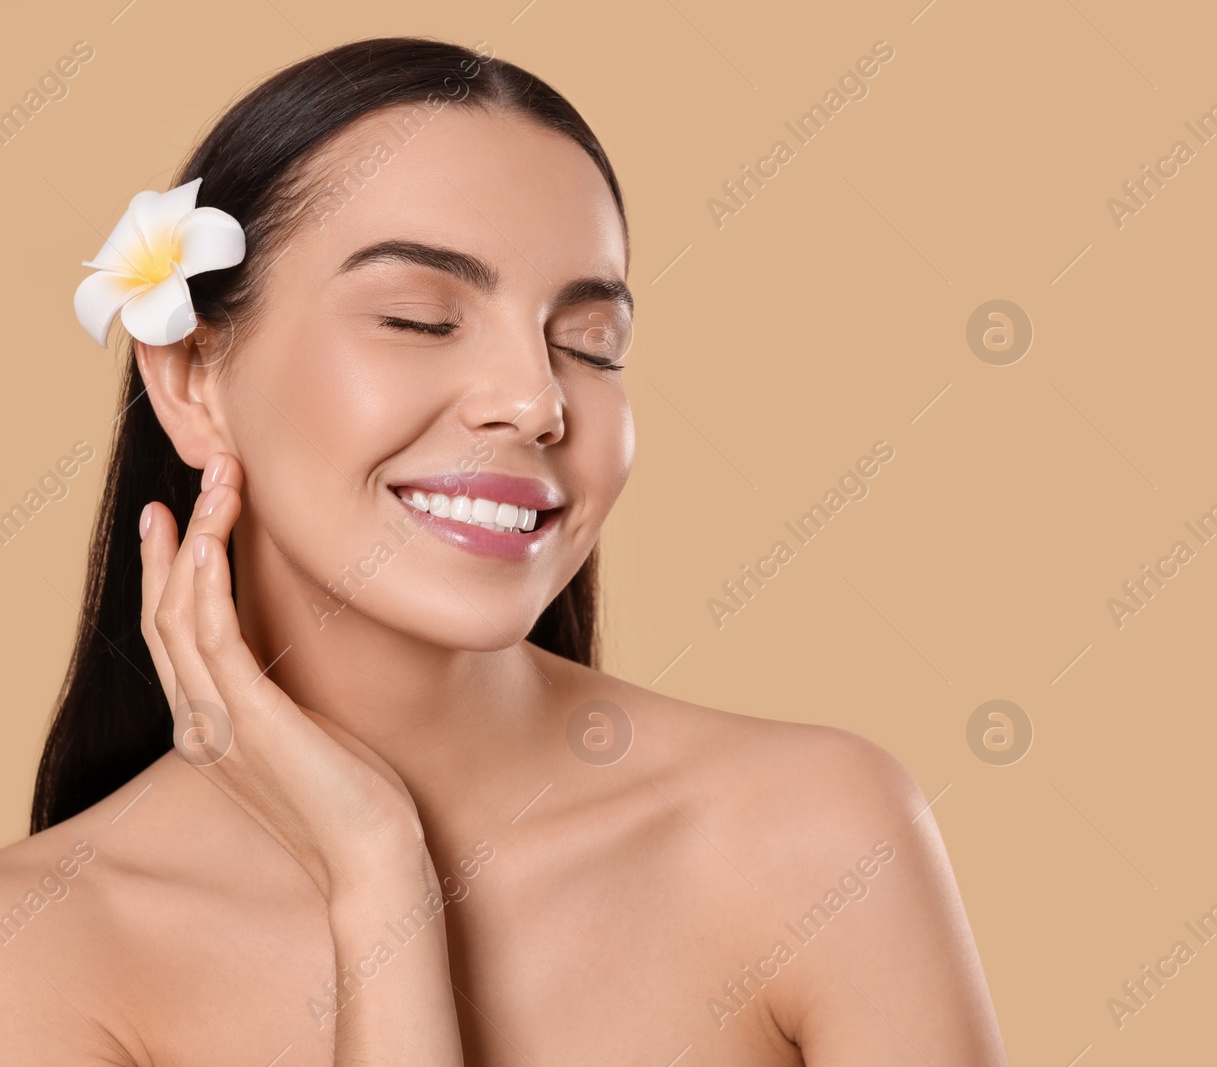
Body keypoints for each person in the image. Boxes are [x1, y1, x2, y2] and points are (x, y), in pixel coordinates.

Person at [0, 37, 1006, 1065]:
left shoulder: (813, 836)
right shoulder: (43, 952)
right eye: (419, 318)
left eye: (588, 344)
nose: (535, 400)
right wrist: (377, 874)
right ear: (191, 377)